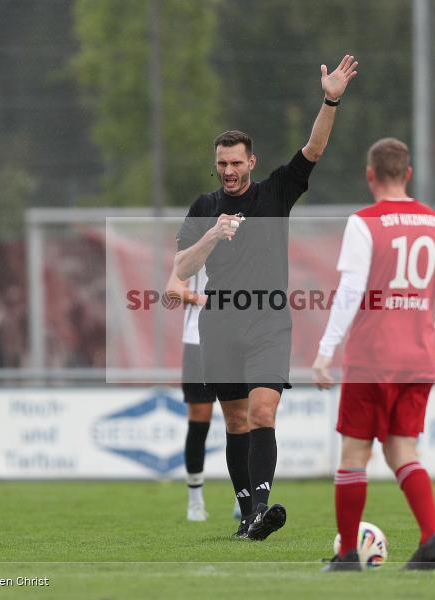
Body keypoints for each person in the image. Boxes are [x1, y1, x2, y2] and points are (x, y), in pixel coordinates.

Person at [174, 54, 359, 540]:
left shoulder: (275, 192)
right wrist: (213, 235)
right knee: (235, 421)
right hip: (220, 324)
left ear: (251, 162)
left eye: (236, 163)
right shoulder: (205, 207)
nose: (229, 171)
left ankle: (258, 512)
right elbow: (181, 268)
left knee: (262, 412)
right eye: (222, 164)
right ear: (215, 167)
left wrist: (330, 98)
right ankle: (248, 515)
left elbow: (314, 147)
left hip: (269, 322)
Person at [312, 137, 435, 571]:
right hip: (418, 356)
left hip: (371, 357)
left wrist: (325, 352)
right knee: (402, 451)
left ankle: (345, 556)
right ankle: (431, 537)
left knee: (354, 456)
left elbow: (351, 291)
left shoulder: (363, 223)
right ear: (408, 174)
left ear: (370, 175)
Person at [165, 266, 220, 522]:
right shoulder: (196, 238)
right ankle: (195, 500)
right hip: (197, 340)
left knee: (245, 418)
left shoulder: (248, 236)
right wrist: (205, 300)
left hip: (240, 339)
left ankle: (247, 498)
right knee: (199, 417)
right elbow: (174, 289)